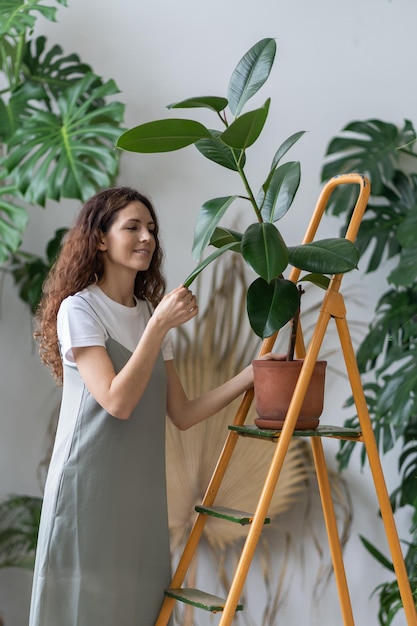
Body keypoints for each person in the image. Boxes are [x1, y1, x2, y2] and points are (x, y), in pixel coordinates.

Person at [29, 186, 278, 626]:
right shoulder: (78, 309)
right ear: (100, 239)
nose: (147, 237)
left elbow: (181, 413)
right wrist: (159, 325)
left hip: (140, 496)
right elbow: (117, 401)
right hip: (88, 492)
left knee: (139, 611)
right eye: (133, 227)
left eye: (152, 228)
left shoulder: (147, 312)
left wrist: (251, 376)